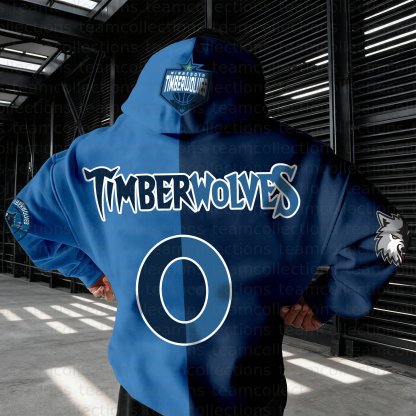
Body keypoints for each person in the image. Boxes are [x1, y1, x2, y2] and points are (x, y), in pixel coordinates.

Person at [4, 27, 411, 416]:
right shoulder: (299, 157)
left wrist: (89, 271)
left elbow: (22, 218)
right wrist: (325, 301)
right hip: (249, 388)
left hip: (146, 388)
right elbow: (387, 233)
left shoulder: (92, 155)